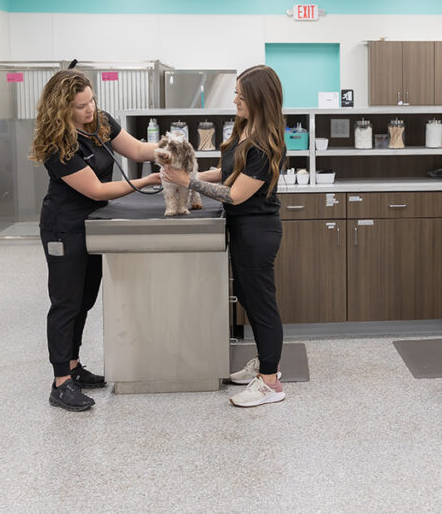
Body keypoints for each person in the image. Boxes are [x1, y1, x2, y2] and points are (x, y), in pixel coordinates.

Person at [30, 69, 161, 412]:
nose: (90, 110)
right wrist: (148, 182)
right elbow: (97, 189)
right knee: (65, 301)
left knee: (85, 297)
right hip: (64, 226)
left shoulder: (99, 122)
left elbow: (136, 149)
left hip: (94, 223)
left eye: (92, 101)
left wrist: (167, 148)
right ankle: (60, 383)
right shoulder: (56, 144)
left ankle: (73, 366)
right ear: (62, 108)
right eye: (80, 106)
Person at [161, 65, 286, 408]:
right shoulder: (245, 130)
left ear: (259, 100)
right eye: (236, 94)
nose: (235, 101)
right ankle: (266, 364)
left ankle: (271, 383)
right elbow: (229, 173)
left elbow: (235, 195)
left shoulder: (265, 144)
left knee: (261, 305)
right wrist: (188, 173)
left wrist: (188, 183)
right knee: (248, 295)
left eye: (241, 96)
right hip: (242, 228)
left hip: (257, 231)